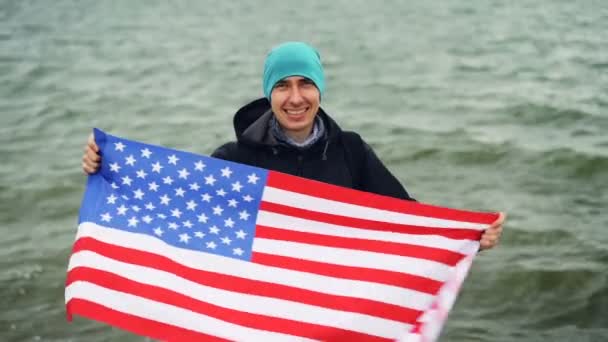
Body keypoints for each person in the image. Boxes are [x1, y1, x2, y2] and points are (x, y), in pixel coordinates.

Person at [81, 41, 504, 250]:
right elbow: (175, 206)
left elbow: (406, 217)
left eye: (306, 83)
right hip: (267, 307)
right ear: (269, 93)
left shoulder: (350, 151)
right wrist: (107, 168)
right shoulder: (235, 159)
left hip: (335, 304)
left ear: (320, 89)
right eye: (283, 85)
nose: (296, 97)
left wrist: (465, 238)